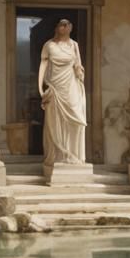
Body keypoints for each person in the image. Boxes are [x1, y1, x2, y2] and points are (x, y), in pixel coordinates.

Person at [39, 19, 87, 164]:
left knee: (76, 117)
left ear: (71, 28)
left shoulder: (74, 45)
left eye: (67, 25)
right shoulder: (49, 45)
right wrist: (40, 88)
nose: (65, 27)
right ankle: (59, 154)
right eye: (61, 24)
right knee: (55, 120)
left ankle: (74, 154)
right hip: (55, 86)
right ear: (57, 27)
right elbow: (43, 64)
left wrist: (80, 71)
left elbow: (78, 64)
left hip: (71, 85)